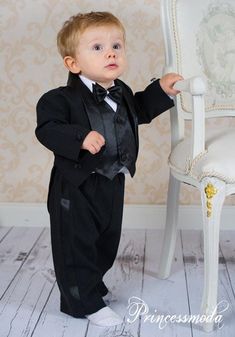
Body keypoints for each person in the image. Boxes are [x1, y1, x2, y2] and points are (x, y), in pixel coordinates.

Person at [35, 11, 182, 327]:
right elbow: (47, 128)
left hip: (112, 180)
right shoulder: (58, 100)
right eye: (98, 47)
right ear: (73, 64)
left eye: (117, 45)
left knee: (107, 239)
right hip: (76, 186)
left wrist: (163, 92)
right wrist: (81, 137)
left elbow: (139, 110)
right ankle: (81, 301)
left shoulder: (122, 92)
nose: (111, 52)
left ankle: (93, 284)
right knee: (76, 242)